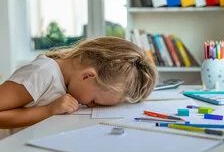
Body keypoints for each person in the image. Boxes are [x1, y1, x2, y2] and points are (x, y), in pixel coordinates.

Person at [0, 36, 157, 128]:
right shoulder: (41, 74)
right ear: (87, 76)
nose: (90, 106)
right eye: (94, 101)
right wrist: (48, 110)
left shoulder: (70, 83)